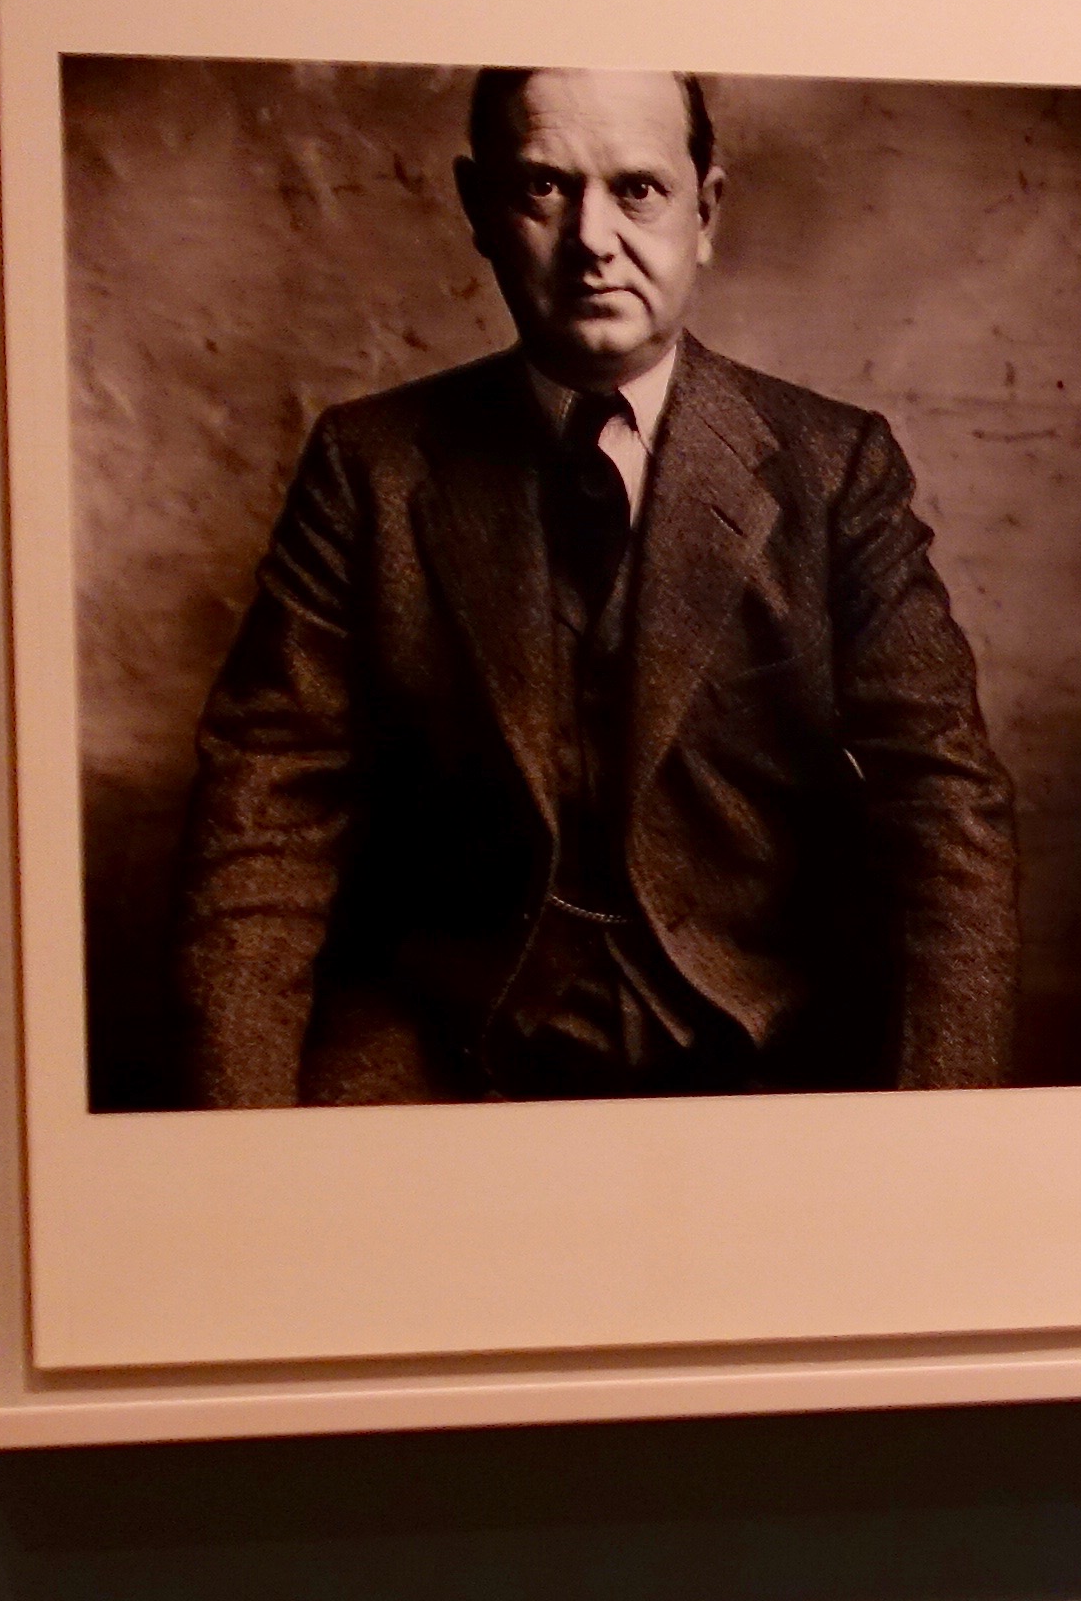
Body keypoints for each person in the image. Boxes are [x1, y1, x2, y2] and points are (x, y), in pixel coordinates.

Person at [173, 65, 1017, 1104]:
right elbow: (263, 820)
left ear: (706, 212)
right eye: (544, 188)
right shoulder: (369, 468)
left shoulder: (834, 468)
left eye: (639, 190)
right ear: (479, 209)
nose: (592, 241)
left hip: (761, 1031)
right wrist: (234, 1141)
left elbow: (944, 807)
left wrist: (948, 1127)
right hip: (450, 1030)